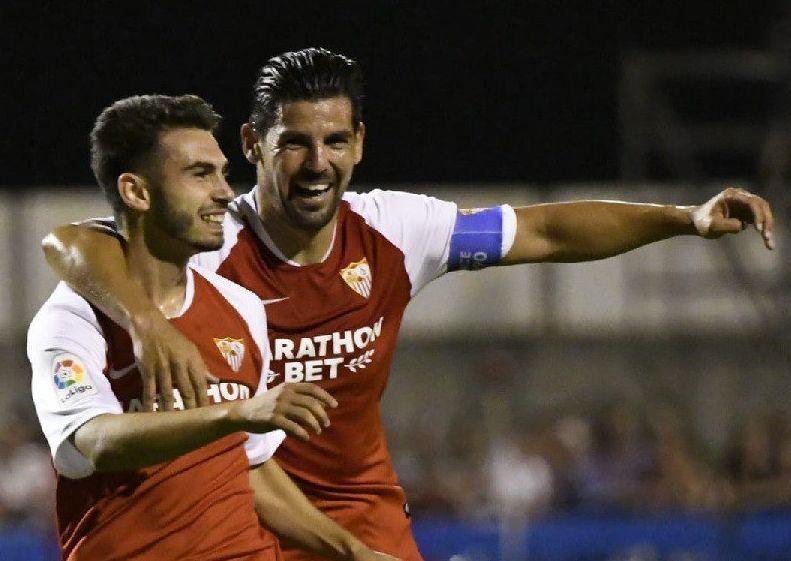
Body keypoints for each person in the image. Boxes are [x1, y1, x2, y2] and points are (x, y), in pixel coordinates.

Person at [42, 48, 776, 561]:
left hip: (360, 513)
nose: (317, 162)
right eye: (293, 142)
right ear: (254, 146)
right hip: (249, 518)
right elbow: (71, 241)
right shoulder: (209, 240)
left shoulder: (396, 230)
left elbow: (544, 230)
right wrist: (143, 320)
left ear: (359, 143)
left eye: (334, 140)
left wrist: (683, 217)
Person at [29, 93, 399, 561]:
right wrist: (237, 413)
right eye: (200, 174)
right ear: (136, 192)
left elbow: (252, 464)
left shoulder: (240, 306)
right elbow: (95, 442)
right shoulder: (73, 317)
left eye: (223, 173)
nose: (225, 192)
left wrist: (353, 551)